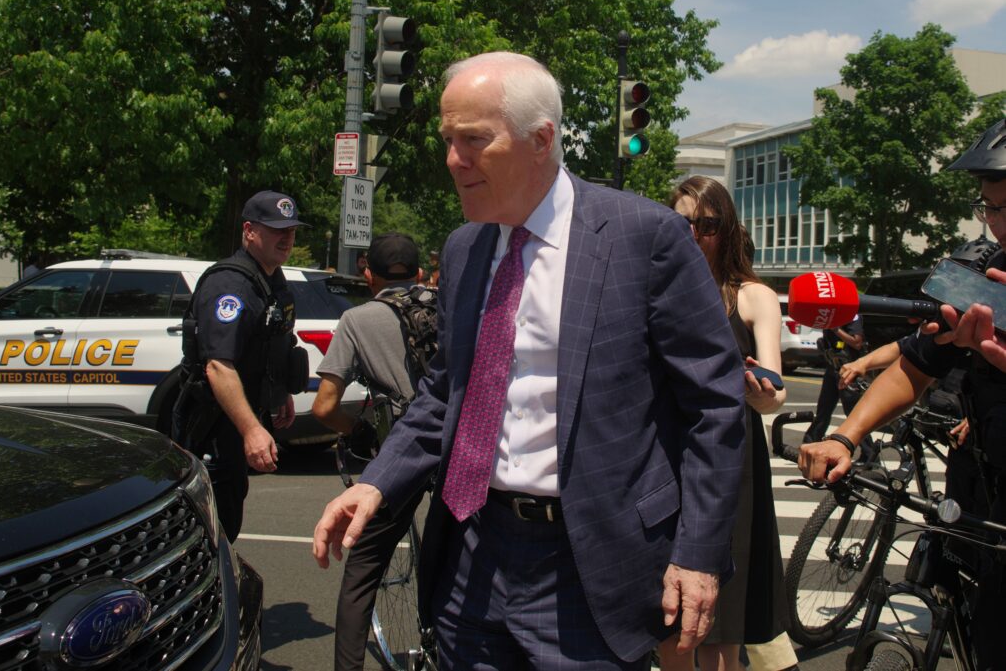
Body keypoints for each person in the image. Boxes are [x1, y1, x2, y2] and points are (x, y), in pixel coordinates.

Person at [313, 51, 745, 671]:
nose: (453, 160)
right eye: (447, 139)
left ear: (541, 139)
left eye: (473, 141)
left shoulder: (642, 237)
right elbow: (445, 393)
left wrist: (698, 552)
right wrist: (379, 481)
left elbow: (714, 402)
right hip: (473, 552)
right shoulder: (464, 249)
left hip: (590, 561)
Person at [797, 118, 1006, 669]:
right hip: (981, 505)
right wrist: (845, 435)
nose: (996, 225)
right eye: (990, 208)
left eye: (1004, 209)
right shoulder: (983, 275)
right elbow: (914, 366)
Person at [668, 177, 796, 671]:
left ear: (728, 230)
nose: (696, 234)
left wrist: (755, 389)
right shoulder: (656, 288)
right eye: (684, 223)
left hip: (729, 460)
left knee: (720, 628)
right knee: (673, 624)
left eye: (709, 224)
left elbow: (775, 392)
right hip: (664, 456)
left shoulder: (753, 296)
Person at [311, 232, 431, 671]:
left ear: (368, 275)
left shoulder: (358, 320)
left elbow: (324, 406)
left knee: (361, 573)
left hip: (399, 451)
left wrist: (358, 430)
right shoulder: (444, 304)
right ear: (419, 274)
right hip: (455, 442)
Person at [172, 190, 309, 542]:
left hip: (241, 416)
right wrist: (251, 430)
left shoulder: (271, 280)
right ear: (249, 231)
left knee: (229, 514)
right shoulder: (230, 285)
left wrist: (279, 394)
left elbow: (272, 341)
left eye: (291, 230)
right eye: (277, 229)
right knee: (209, 527)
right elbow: (219, 365)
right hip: (213, 424)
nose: (287, 237)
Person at [802, 317, 865, 444]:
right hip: (832, 369)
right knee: (823, 410)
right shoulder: (831, 315)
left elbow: (857, 343)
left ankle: (870, 455)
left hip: (848, 371)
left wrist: (836, 330)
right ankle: (810, 443)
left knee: (852, 413)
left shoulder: (852, 315)